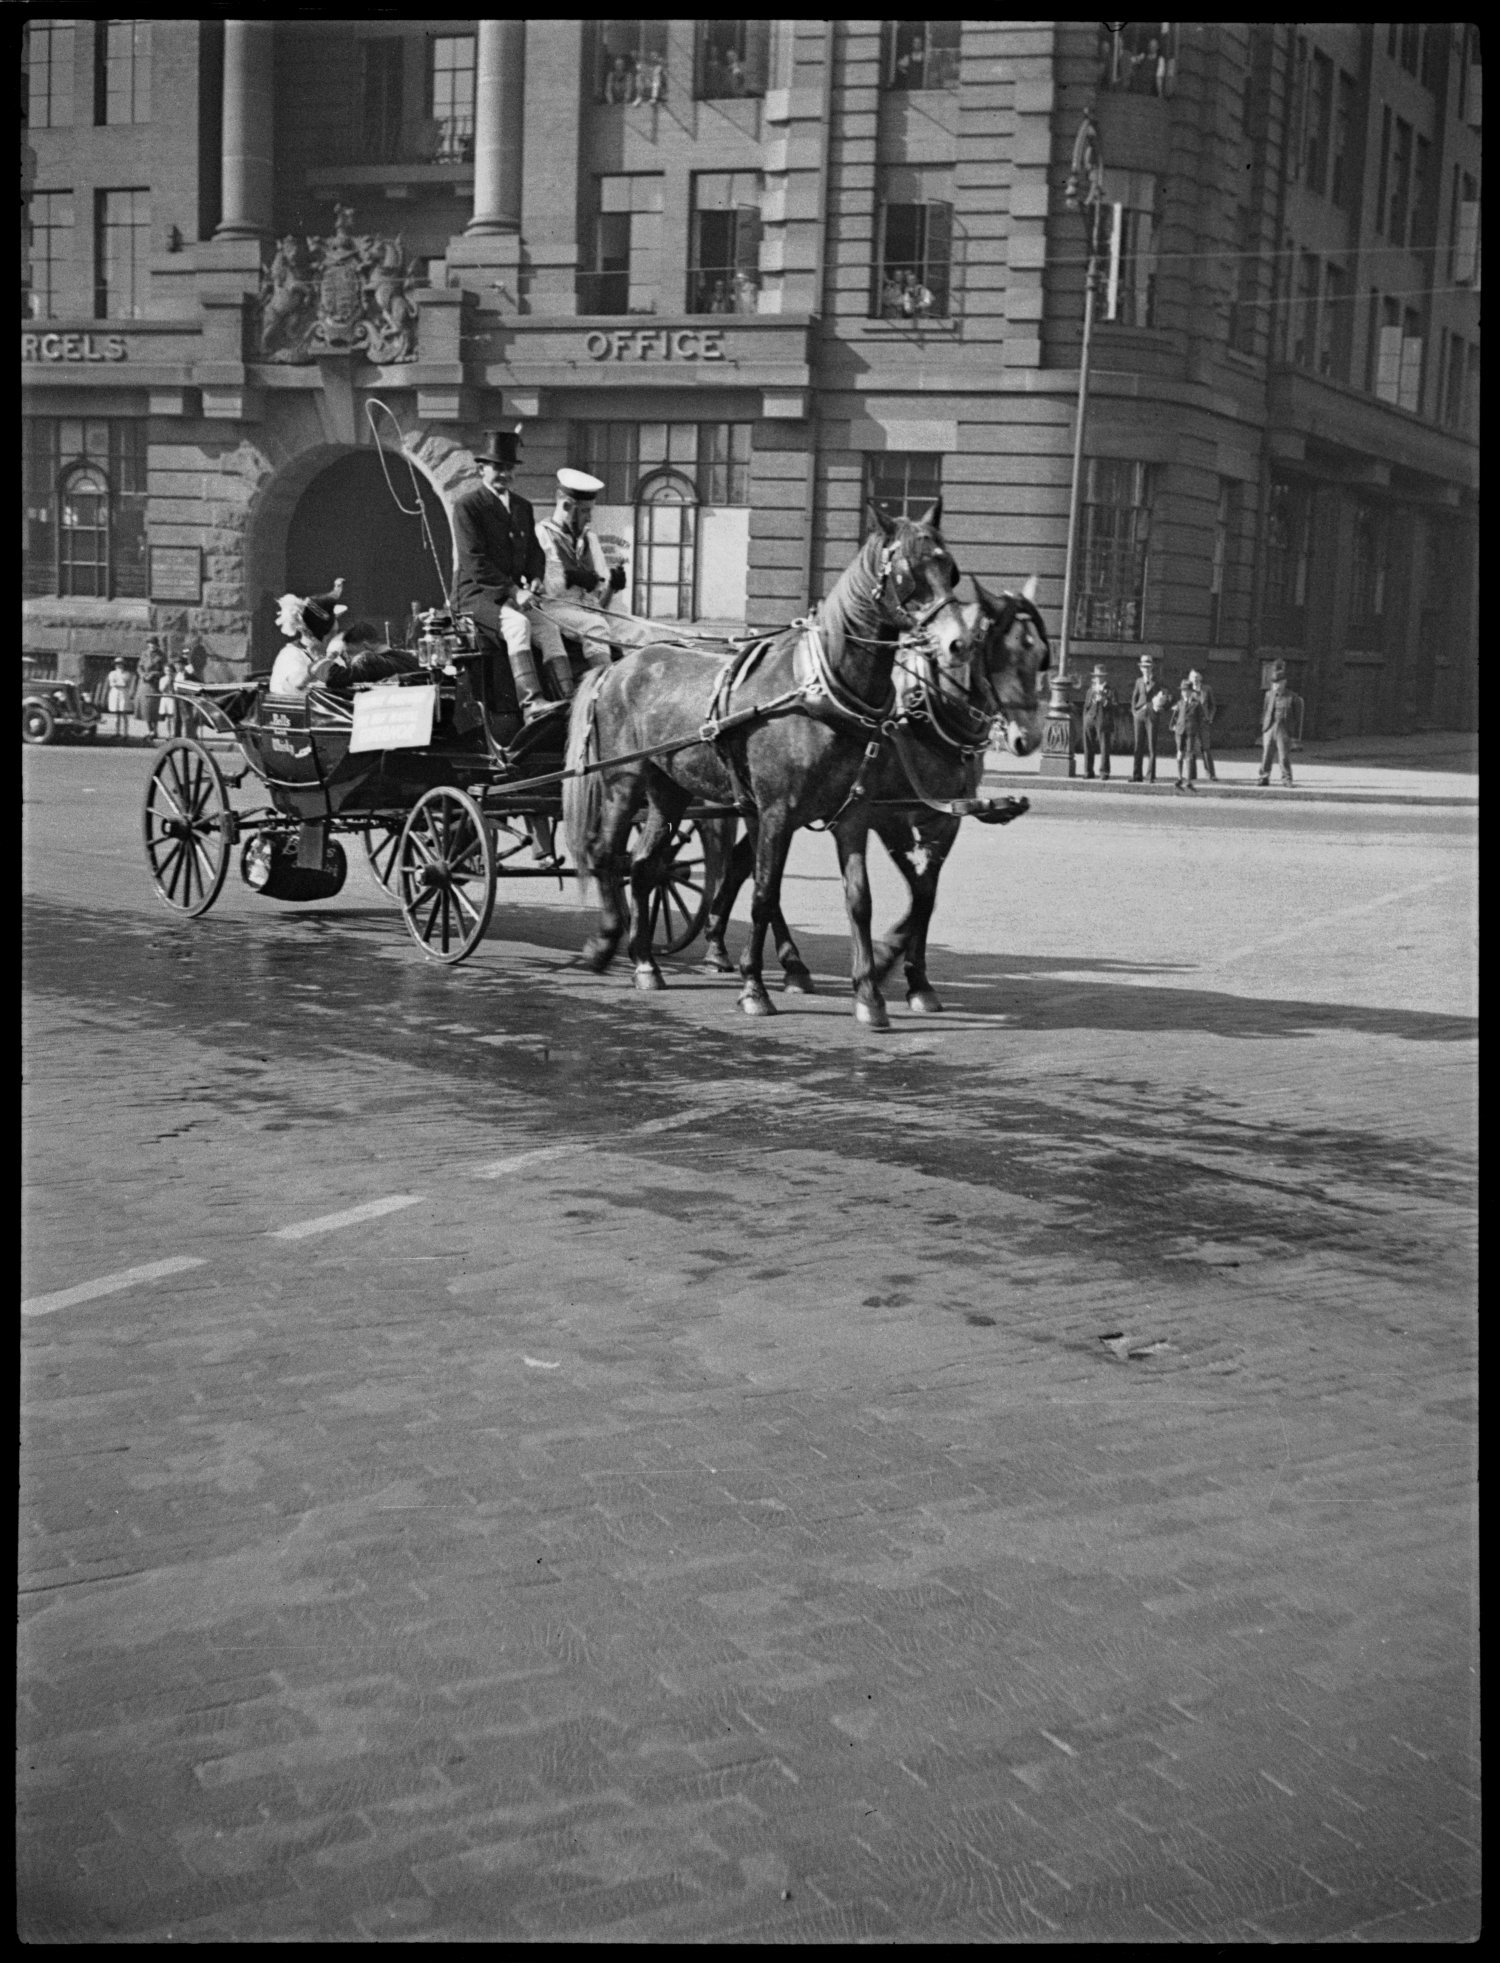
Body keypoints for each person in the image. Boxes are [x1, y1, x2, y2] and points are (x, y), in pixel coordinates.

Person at [450, 429, 576, 725]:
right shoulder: (468, 506)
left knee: (547, 626)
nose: (504, 473)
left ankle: (569, 699)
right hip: (475, 595)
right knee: (519, 625)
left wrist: (534, 579)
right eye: (498, 467)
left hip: (511, 593)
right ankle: (531, 703)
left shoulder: (522, 506)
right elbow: (474, 560)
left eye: (509, 468)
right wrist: (512, 591)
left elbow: (534, 552)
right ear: (482, 468)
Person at [535, 468, 666, 673]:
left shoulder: (590, 540)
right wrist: (569, 577)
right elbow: (545, 592)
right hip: (556, 611)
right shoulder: (542, 536)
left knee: (639, 630)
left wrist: (612, 587)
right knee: (595, 625)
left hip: (591, 611)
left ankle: (640, 685)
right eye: (585, 511)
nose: (589, 518)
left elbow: (600, 601)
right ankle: (601, 688)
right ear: (567, 505)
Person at [268, 581, 346, 696]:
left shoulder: (335, 656)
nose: (335, 638)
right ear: (318, 635)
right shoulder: (290, 655)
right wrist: (318, 665)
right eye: (332, 635)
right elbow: (294, 684)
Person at [1258, 659, 1303, 787]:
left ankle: (1287, 779)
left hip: (1284, 728)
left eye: (1278, 683)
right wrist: (1264, 729)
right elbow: (1265, 711)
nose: (1276, 685)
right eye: (1274, 683)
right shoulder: (1268, 695)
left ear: (1284, 683)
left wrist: (1294, 735)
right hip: (1270, 727)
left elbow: (1297, 717)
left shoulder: (1292, 697)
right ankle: (1264, 777)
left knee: (1283, 756)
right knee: (1266, 755)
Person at [1130, 653, 1168, 783]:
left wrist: (1158, 705)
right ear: (1141, 668)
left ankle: (1150, 775)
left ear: (1152, 668)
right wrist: (1134, 712)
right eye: (1144, 667)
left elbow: (1166, 696)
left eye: (1148, 667)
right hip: (1139, 716)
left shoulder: (1158, 682)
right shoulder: (1138, 681)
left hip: (1152, 715)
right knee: (1138, 745)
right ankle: (1136, 775)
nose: (1146, 669)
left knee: (1152, 746)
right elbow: (1134, 699)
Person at [1170, 676, 1206, 792]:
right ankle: (1179, 777)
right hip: (1180, 731)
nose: (1185, 693)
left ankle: (1189, 780)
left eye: (1187, 691)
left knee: (1189, 754)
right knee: (1179, 753)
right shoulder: (1180, 703)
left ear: (1191, 692)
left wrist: (1198, 729)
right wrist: (1173, 726)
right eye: (1183, 691)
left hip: (1191, 732)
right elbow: (1174, 716)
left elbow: (1201, 718)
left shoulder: (1196, 704)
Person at [1081, 663, 1116, 780]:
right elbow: (1086, 706)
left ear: (1104, 677)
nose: (1098, 678)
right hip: (1090, 719)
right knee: (1088, 746)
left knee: (1104, 747)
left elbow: (1116, 705)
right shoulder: (1090, 690)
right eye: (1096, 676)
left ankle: (1104, 771)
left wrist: (1105, 701)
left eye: (1100, 676)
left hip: (1103, 720)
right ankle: (1088, 770)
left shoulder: (1110, 690)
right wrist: (1086, 719)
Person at [1187, 667, 1218, 779]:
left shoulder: (1206, 689)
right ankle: (1191, 774)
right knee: (1191, 748)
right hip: (1192, 723)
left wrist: (1210, 717)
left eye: (1196, 677)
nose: (1195, 679)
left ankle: (1211, 774)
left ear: (1200, 678)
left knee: (1206, 748)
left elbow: (1213, 706)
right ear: (1189, 679)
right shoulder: (1188, 690)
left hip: (1204, 723)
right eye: (1192, 677)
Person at [136, 637, 165, 740]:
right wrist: (143, 675)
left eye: (153, 643)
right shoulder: (144, 654)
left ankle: (155, 730)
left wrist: (155, 674)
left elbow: (165, 670)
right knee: (145, 709)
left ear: (157, 644)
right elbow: (139, 667)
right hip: (145, 684)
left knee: (154, 709)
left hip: (155, 684)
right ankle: (150, 730)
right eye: (150, 643)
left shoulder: (161, 655)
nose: (152, 645)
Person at [105, 657, 134, 740]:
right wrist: (118, 683)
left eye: (121, 664)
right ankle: (117, 732)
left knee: (124, 713)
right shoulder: (112, 673)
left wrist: (118, 683)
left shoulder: (127, 674)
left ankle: (125, 733)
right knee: (116, 715)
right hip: (115, 693)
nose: (119, 666)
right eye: (117, 664)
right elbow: (112, 684)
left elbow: (125, 683)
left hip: (123, 693)